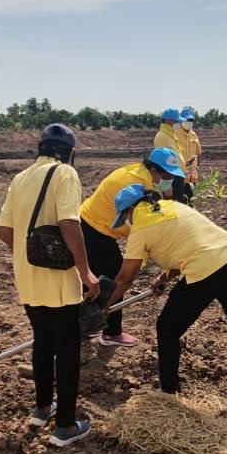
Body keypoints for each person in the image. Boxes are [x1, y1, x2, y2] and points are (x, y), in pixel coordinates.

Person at [106, 185, 227, 397]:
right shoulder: (173, 207)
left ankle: (169, 391)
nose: (127, 222)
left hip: (205, 270)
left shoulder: (140, 227)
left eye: (125, 216)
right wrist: (164, 277)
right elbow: (190, 243)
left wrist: (104, 306)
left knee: (167, 328)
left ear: (130, 210)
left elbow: (124, 278)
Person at [0, 123, 101, 447]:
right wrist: (85, 272)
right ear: (70, 151)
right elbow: (69, 223)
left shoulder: (20, 178)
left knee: (41, 342)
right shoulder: (65, 174)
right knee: (67, 350)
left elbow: (4, 231)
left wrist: (30, 254)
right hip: (58, 279)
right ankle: (65, 426)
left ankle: (42, 409)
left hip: (28, 279)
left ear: (40, 148)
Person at [78, 147, 188, 348]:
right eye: (167, 174)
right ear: (155, 170)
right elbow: (141, 226)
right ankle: (111, 333)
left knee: (94, 279)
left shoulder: (139, 174)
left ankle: (85, 327)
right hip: (95, 229)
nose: (169, 179)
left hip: (91, 226)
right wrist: (144, 257)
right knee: (115, 279)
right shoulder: (136, 183)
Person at [153, 109, 191, 202]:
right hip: (170, 179)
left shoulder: (170, 135)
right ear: (169, 121)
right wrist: (165, 185)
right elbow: (159, 162)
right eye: (177, 122)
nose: (179, 124)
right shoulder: (162, 137)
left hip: (177, 176)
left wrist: (184, 163)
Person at [177, 107, 202, 183]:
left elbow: (199, 153)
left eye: (191, 120)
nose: (189, 122)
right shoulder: (175, 134)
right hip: (180, 177)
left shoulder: (193, 135)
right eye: (187, 120)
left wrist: (197, 168)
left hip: (192, 178)